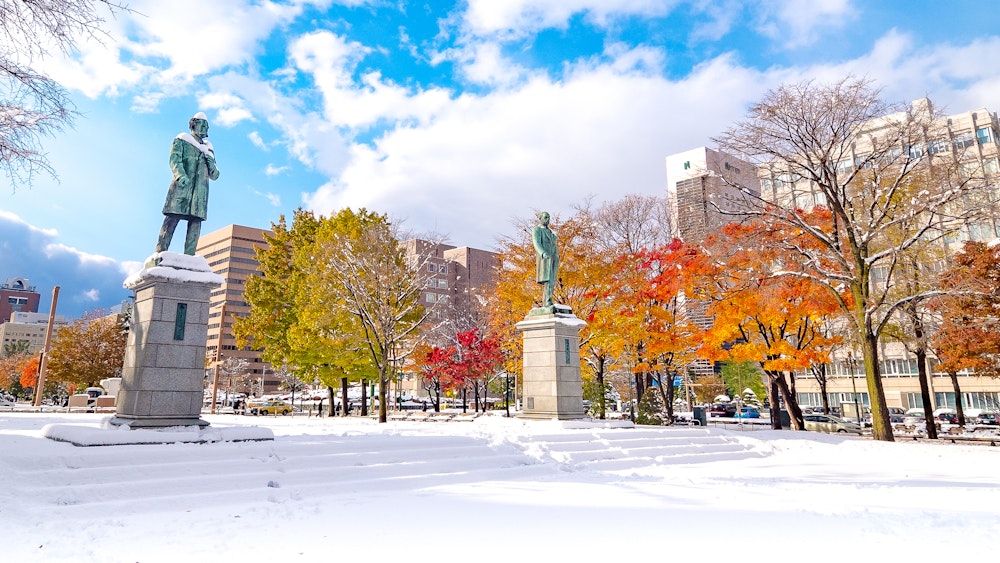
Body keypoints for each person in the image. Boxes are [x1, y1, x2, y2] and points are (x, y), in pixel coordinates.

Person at [155, 112, 220, 255]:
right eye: (202, 124)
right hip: (182, 187)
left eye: (206, 125)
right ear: (193, 124)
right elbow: (174, 160)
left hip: (200, 193)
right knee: (172, 219)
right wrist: (180, 175)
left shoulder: (209, 149)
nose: (205, 128)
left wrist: (210, 162)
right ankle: (160, 253)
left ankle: (189, 257)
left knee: (195, 223)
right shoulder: (182, 140)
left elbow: (215, 175)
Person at [532, 211, 559, 308]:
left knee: (552, 280)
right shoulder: (537, 230)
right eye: (546, 217)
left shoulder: (550, 232)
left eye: (549, 217)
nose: (548, 220)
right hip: (545, 257)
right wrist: (542, 253)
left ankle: (548, 300)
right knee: (548, 280)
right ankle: (547, 301)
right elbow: (536, 243)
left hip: (554, 256)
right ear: (541, 218)